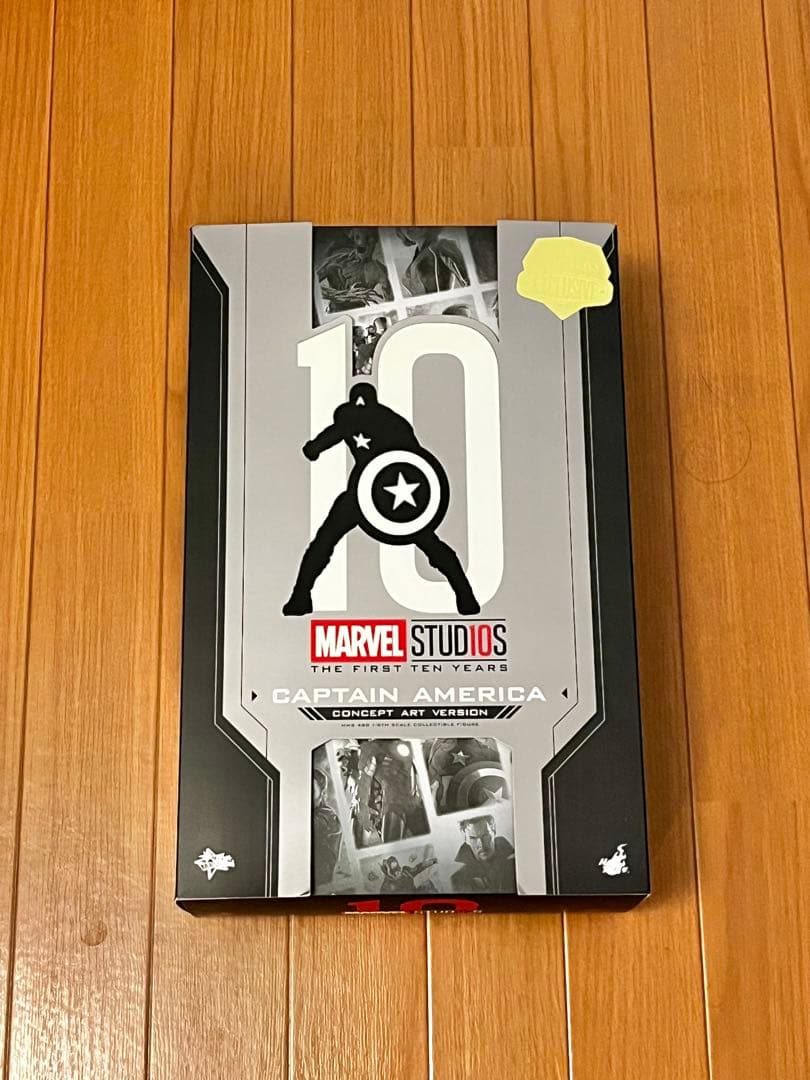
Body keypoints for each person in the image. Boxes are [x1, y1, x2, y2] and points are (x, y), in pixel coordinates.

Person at [282, 382, 479, 616]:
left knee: (324, 542)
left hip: (372, 495)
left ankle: (301, 596)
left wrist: (313, 448)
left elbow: (320, 445)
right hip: (378, 496)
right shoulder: (394, 422)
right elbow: (415, 461)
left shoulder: (355, 420)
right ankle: (465, 594)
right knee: (430, 543)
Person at [450, 815, 516, 893]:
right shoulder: (460, 880)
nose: (481, 844)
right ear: (465, 839)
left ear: (494, 830)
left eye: (485, 836)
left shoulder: (515, 864)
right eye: (473, 838)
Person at [311, 767, 342, 889]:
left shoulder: (328, 816)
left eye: (311, 789)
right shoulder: (314, 812)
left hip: (320, 884)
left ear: (322, 792)